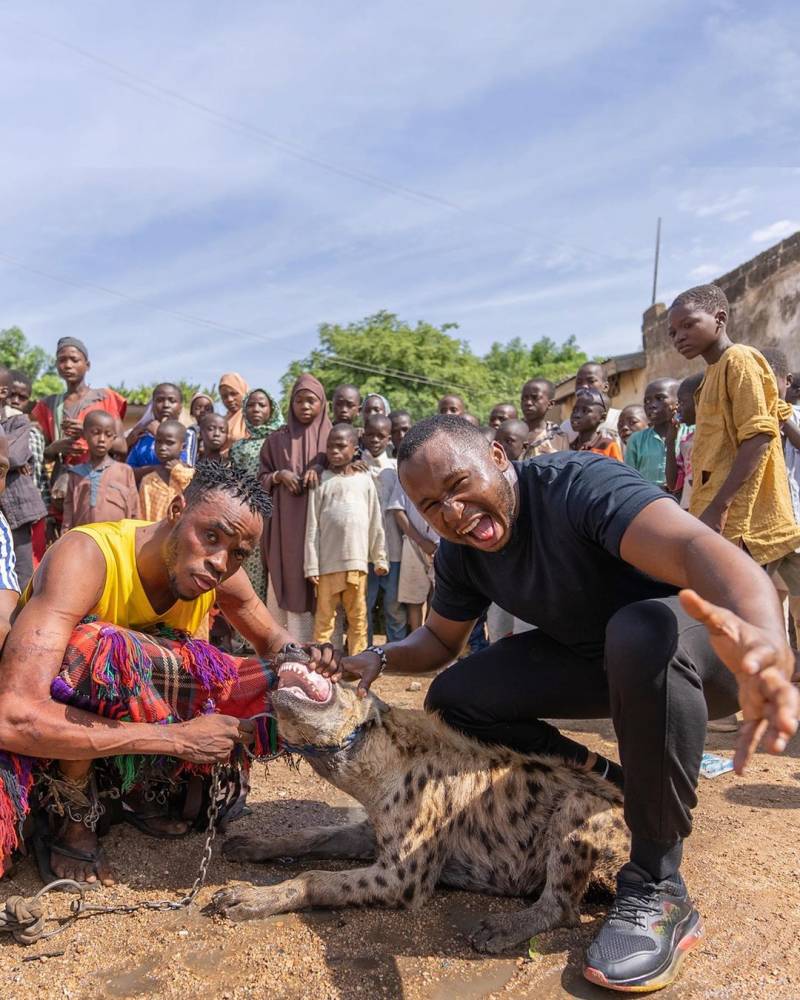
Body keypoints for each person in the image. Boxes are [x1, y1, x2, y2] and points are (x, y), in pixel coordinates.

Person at [318, 415, 798, 993]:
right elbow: (440, 642)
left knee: (639, 628)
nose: (451, 513)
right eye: (430, 506)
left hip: (692, 654)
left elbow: (700, 548)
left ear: (498, 455)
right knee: (457, 696)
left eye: (457, 486)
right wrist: (379, 657)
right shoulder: (462, 552)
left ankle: (657, 884)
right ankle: (607, 781)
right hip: (600, 661)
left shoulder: (577, 487)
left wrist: (768, 644)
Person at [0, 461, 339, 885]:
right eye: (210, 536)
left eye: (238, 554)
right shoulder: (88, 556)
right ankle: (71, 815)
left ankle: (140, 788)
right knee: (100, 648)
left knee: (274, 683)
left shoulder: (216, 575)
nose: (219, 562)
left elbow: (273, 640)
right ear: (177, 510)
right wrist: (178, 739)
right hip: (43, 734)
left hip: (122, 731)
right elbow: (13, 716)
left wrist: (307, 663)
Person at [260, 374, 332, 642]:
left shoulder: (332, 437)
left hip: (322, 526)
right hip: (285, 524)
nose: (304, 406)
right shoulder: (276, 440)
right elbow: (260, 477)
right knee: (286, 571)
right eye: (299, 401)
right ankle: (286, 643)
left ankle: (323, 644)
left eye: (311, 401)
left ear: (322, 404)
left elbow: (344, 466)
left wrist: (320, 467)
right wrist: (279, 476)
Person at [304, 424, 387, 654]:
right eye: (330, 447)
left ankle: (357, 663)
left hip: (357, 564)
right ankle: (319, 664)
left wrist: (380, 558)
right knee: (324, 621)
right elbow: (313, 527)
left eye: (341, 447)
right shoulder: (321, 481)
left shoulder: (364, 480)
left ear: (354, 448)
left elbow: (375, 522)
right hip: (327, 566)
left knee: (358, 618)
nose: (335, 452)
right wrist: (311, 565)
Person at [31, 337, 127, 472]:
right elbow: (43, 454)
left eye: (74, 360)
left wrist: (88, 432)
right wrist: (54, 448)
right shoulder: (48, 405)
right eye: (62, 360)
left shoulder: (105, 398)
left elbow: (121, 447)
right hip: (63, 482)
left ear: (87, 365)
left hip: (98, 477)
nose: (68, 365)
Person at [229, 389, 283, 608]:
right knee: (250, 572)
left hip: (279, 516)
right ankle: (245, 638)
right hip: (248, 516)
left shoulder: (281, 441)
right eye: (251, 405)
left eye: (262, 405)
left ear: (271, 409)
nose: (256, 409)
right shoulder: (239, 447)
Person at [362, 414, 407, 643]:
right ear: (362, 435)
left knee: (394, 606)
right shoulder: (356, 466)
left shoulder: (396, 469)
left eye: (381, 436)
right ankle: (365, 650)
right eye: (370, 435)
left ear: (389, 438)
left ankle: (395, 651)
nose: (375, 440)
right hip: (365, 552)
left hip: (394, 549)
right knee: (364, 605)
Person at [0, 370, 47, 588]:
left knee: (22, 570)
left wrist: (13, 461)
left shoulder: (18, 421)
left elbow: (16, 456)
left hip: (18, 509)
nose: (17, 400)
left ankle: (20, 618)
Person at [63, 411, 140, 529]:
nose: (102, 439)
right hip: (85, 539)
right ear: (84, 435)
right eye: (95, 433)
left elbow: (135, 511)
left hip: (116, 539)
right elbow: (68, 514)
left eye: (108, 434)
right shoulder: (76, 474)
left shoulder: (124, 471)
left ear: (114, 438)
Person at [387, 476, 439, 633]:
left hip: (442, 543)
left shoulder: (443, 470)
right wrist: (421, 541)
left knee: (439, 594)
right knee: (414, 596)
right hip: (413, 542)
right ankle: (417, 637)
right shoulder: (406, 474)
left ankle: (433, 637)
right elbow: (398, 510)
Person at [8, 371, 50, 562]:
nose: (15, 400)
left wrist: (47, 514)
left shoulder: (33, 433)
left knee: (29, 570)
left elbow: (40, 476)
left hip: (30, 512)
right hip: (6, 510)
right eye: (11, 394)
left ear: (28, 402)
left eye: (22, 397)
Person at [624, 379, 682, 488]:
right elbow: (630, 478)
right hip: (649, 499)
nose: (651, 405)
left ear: (677, 402)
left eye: (660, 398)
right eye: (647, 401)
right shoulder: (637, 440)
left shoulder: (689, 434)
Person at [138, 421, 195, 522]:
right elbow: (142, 516)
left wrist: (178, 471)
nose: (162, 448)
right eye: (158, 442)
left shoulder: (192, 475)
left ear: (183, 447)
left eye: (169, 443)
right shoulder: (148, 480)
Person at [126, 384, 188, 477]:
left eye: (172, 401)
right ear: (152, 405)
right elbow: (128, 473)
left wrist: (158, 433)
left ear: (180, 407)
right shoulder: (140, 436)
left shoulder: (190, 435)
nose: (166, 405)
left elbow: (186, 469)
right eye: (160, 400)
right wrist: (127, 443)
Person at [665, 374, 703, 510]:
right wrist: (670, 442)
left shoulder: (719, 437)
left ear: (701, 399)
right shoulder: (686, 441)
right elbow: (673, 483)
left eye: (682, 402)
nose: (678, 409)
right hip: (691, 510)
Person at [569, 388, 623, 460]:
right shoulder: (569, 447)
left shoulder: (607, 446)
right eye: (575, 410)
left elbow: (619, 470)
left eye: (585, 411)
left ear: (602, 418)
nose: (577, 415)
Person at [520, 379, 569, 457]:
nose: (528, 403)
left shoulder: (558, 437)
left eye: (535, 398)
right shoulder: (513, 433)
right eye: (524, 398)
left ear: (550, 404)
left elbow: (564, 463)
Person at [219, 373, 250, 445]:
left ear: (243, 392)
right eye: (224, 396)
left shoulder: (253, 418)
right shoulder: (222, 421)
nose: (229, 399)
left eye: (233, 394)